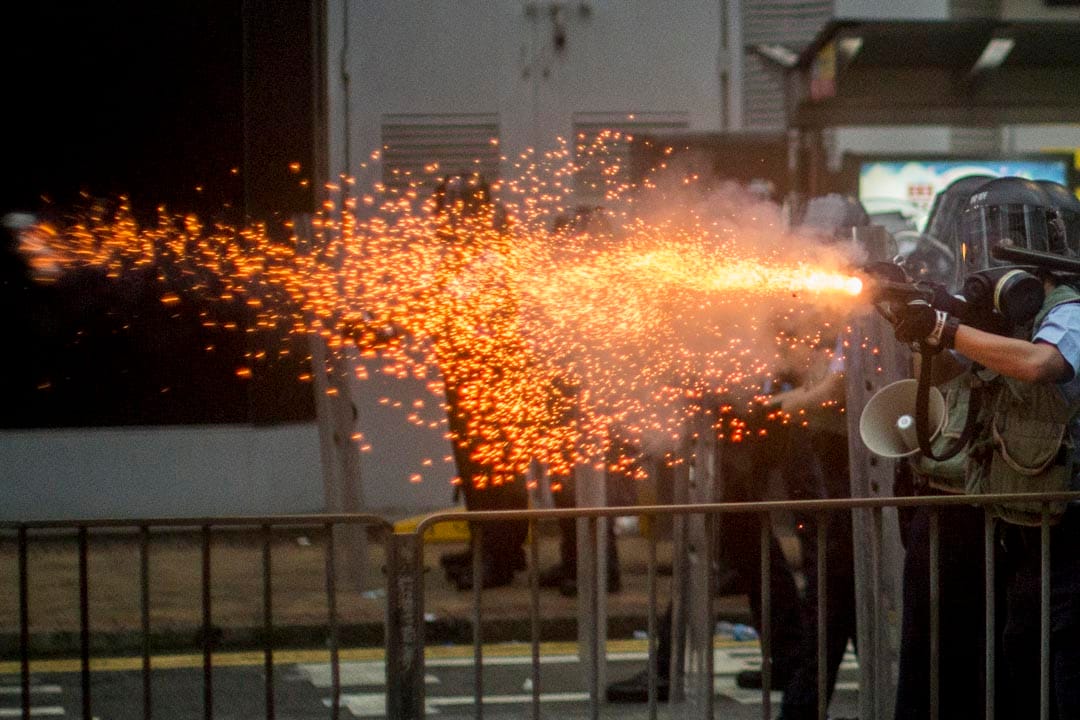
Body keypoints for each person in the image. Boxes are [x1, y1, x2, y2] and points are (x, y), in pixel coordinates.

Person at [885, 176, 1080, 718]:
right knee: (1021, 661)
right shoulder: (1003, 321)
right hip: (1021, 528)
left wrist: (948, 329)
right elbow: (953, 373)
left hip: (1070, 528)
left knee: (1064, 671)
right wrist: (910, 315)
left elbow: (1040, 364)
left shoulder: (1071, 312)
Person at [890, 174, 999, 720]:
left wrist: (946, 328)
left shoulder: (1025, 303)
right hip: (941, 484)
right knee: (931, 648)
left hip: (984, 490)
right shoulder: (956, 295)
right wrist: (917, 321)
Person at [429, 172, 531, 590]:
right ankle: (488, 546)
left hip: (491, 384)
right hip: (469, 378)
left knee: (494, 475)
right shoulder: (465, 251)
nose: (439, 220)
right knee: (476, 474)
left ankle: (498, 557)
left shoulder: (489, 254)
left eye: (446, 210)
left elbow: (457, 308)